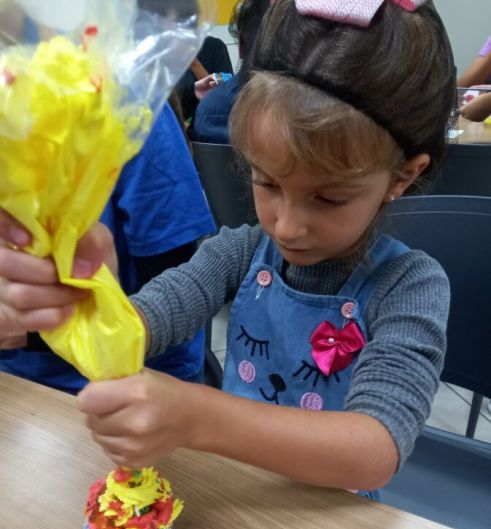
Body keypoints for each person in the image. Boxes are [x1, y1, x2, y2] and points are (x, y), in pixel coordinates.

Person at [0, 0, 455, 494]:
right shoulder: (238, 253)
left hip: (338, 519)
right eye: (267, 183)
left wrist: (196, 417)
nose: (287, 227)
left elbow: (375, 452)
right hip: (235, 494)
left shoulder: (409, 285)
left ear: (402, 176)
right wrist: (91, 301)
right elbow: (147, 321)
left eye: (329, 199)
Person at [0, 103, 216, 392]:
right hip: (18, 378)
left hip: (128, 378)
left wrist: (31, 331)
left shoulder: (128, 109)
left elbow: (175, 290)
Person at [192, 0, 271, 144]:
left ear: (240, 44)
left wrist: (194, 64)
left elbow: (223, 78)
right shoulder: (305, 107)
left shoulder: (212, 46)